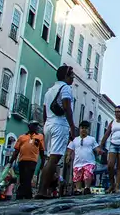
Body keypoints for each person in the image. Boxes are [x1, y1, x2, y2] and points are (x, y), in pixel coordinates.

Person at [39, 66, 78, 198]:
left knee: (49, 159)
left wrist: (45, 125)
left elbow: (44, 112)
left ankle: (43, 189)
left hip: (48, 124)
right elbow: (67, 108)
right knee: (54, 159)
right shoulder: (66, 88)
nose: (73, 78)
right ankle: (42, 190)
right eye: (72, 75)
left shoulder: (49, 90)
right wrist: (72, 127)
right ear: (66, 76)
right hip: (59, 125)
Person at [13, 123, 44, 200]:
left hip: (32, 161)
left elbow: (42, 151)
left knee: (28, 177)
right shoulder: (22, 137)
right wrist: (10, 161)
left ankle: (22, 194)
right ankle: (26, 195)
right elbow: (16, 151)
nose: (36, 127)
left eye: (36, 126)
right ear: (29, 126)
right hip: (22, 161)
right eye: (34, 125)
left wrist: (42, 163)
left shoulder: (40, 137)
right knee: (23, 178)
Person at [69, 121, 100, 194]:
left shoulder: (91, 139)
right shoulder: (75, 140)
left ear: (88, 130)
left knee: (88, 175)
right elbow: (70, 149)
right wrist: (68, 156)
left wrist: (99, 151)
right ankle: (78, 189)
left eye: (86, 128)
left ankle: (87, 188)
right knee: (77, 177)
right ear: (79, 129)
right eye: (82, 128)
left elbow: (96, 147)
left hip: (89, 162)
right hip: (77, 163)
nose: (84, 130)